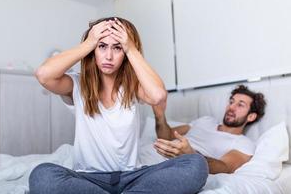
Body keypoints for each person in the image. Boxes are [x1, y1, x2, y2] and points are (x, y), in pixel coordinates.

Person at [29, 17, 208, 194]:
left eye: (117, 48)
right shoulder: (76, 85)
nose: (108, 56)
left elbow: (158, 95)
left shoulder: (133, 87)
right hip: (88, 179)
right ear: (93, 50)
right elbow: (43, 74)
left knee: (196, 164)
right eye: (102, 46)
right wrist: (89, 43)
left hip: (132, 177)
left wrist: (131, 48)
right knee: (42, 175)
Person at [153, 85, 266, 174]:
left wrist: (191, 155)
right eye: (231, 102)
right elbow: (166, 136)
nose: (231, 107)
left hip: (175, 167)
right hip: (150, 158)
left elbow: (225, 167)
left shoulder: (244, 144)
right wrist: (159, 115)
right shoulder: (206, 121)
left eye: (240, 105)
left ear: (251, 116)